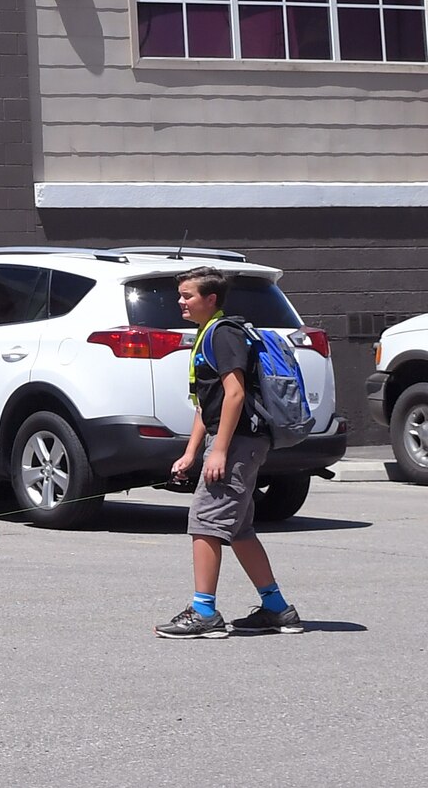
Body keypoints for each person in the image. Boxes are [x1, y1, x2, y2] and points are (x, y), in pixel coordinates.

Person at [155, 265, 305, 638]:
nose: (181, 301)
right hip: (234, 440)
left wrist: (218, 452)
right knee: (238, 529)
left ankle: (204, 612)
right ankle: (276, 609)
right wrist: (191, 453)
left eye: (187, 296)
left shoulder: (223, 335)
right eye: (181, 295)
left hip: (238, 442)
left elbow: (235, 394)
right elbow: (208, 405)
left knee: (205, 523)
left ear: (211, 299)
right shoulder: (209, 334)